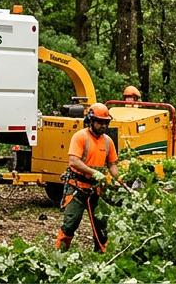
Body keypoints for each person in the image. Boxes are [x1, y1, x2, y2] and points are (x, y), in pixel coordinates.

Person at [56, 103, 119, 253]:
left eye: (106, 122)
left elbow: (112, 164)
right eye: (100, 122)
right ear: (91, 120)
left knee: (101, 226)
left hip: (96, 190)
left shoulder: (108, 141)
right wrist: (94, 173)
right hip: (77, 187)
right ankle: (61, 253)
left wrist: (116, 179)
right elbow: (74, 161)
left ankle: (101, 254)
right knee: (70, 223)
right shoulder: (81, 137)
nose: (103, 125)